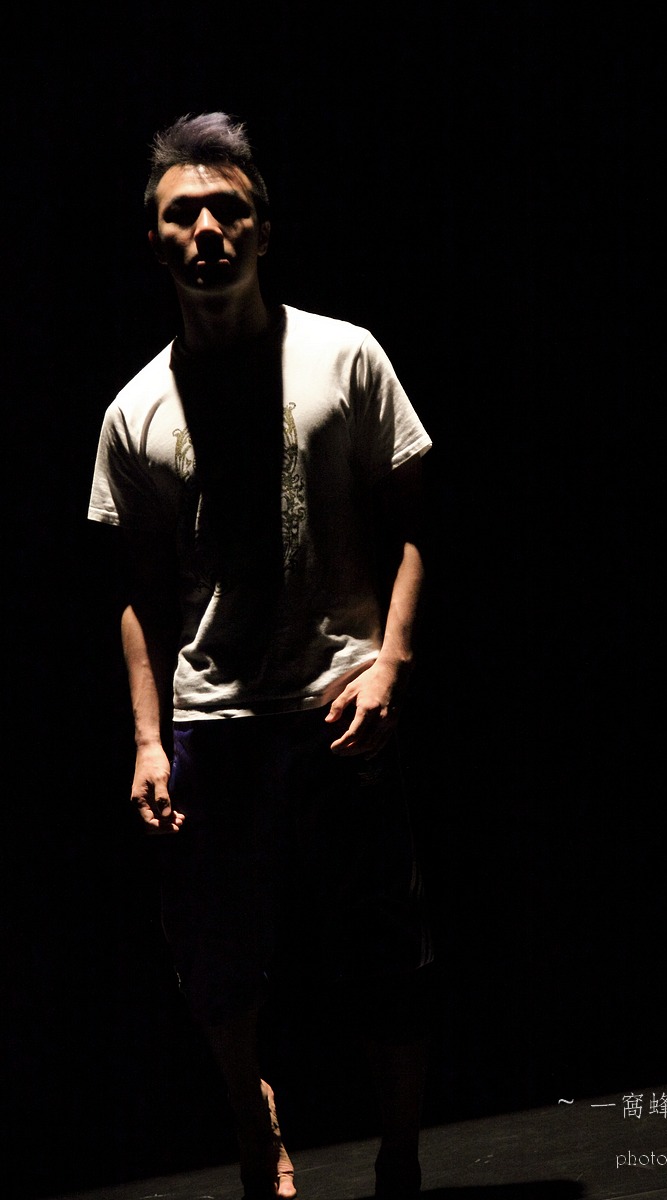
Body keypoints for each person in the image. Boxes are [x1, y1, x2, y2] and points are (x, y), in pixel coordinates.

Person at [88, 112, 435, 1200]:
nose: (206, 230)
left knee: (384, 953)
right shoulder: (135, 410)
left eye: (226, 210)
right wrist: (148, 738)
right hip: (216, 723)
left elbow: (418, 521)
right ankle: (254, 1127)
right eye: (181, 214)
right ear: (155, 241)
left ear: (263, 229)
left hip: (339, 702)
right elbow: (137, 592)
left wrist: (391, 661)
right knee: (219, 964)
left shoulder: (346, 356)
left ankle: (399, 1158)